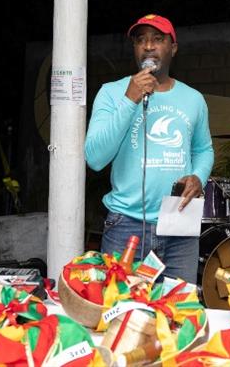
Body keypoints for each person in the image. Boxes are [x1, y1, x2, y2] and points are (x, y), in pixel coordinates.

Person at [84, 14, 214, 283]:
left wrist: (198, 177)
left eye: (157, 39)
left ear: (173, 48)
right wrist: (130, 100)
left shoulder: (194, 99)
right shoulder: (111, 92)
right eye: (140, 40)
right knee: (123, 312)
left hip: (179, 221)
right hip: (126, 226)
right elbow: (95, 157)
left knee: (180, 313)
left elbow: (203, 149)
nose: (148, 46)